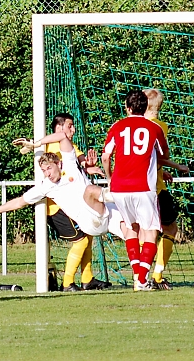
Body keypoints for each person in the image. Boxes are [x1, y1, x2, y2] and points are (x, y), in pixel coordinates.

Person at [0, 133, 124, 291]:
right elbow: (20, 201)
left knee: (139, 232)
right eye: (44, 170)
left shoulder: (70, 166)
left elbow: (63, 137)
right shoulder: (46, 186)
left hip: (106, 211)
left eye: (49, 168)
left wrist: (35, 144)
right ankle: (115, 192)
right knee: (90, 193)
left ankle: (145, 279)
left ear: (59, 165)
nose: (47, 174)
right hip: (90, 223)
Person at [24, 113, 111, 292]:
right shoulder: (47, 146)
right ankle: (67, 283)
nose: (73, 130)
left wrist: (89, 165)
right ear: (59, 128)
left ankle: (87, 279)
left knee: (88, 236)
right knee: (80, 241)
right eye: (70, 126)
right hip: (57, 207)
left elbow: (81, 161)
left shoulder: (69, 145)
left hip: (73, 204)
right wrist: (33, 144)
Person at [101, 89, 169, 292]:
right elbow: (162, 154)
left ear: (127, 107)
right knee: (151, 231)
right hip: (144, 187)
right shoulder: (154, 128)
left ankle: (138, 278)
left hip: (120, 187)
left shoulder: (117, 126)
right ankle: (141, 279)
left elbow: (105, 156)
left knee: (130, 229)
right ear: (145, 107)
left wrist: (109, 177)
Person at [143, 88, 190, 290]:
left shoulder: (132, 124)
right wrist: (176, 166)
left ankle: (140, 277)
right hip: (155, 187)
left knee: (141, 232)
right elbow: (157, 157)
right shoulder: (159, 126)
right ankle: (157, 275)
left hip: (136, 185)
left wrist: (162, 171)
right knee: (169, 229)